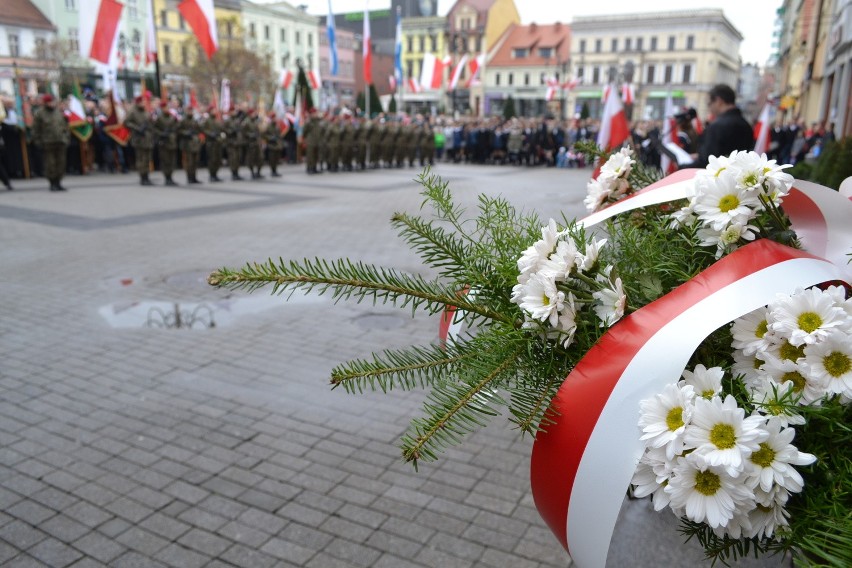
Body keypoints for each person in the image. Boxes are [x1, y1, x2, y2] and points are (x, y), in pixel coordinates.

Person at [688, 84, 753, 168]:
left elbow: (706, 162)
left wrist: (681, 166)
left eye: (709, 103)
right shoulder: (746, 125)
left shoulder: (716, 126)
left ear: (719, 101)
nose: (709, 108)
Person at [31, 94, 70, 191]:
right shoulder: (40, 113)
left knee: (61, 163)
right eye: (49, 102)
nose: (52, 103)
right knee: (50, 164)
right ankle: (52, 182)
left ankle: (59, 182)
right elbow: (36, 129)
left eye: (53, 101)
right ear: (45, 103)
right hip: (48, 142)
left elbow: (64, 126)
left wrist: (66, 137)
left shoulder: (58, 112)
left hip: (60, 141)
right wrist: (38, 141)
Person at [124, 96, 156, 185]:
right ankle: (143, 177)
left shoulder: (146, 112)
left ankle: (147, 177)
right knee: (141, 159)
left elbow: (150, 124)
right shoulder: (133, 112)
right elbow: (126, 122)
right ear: (138, 103)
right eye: (142, 102)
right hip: (139, 139)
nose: (143, 104)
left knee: (147, 159)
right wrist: (137, 129)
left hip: (147, 138)